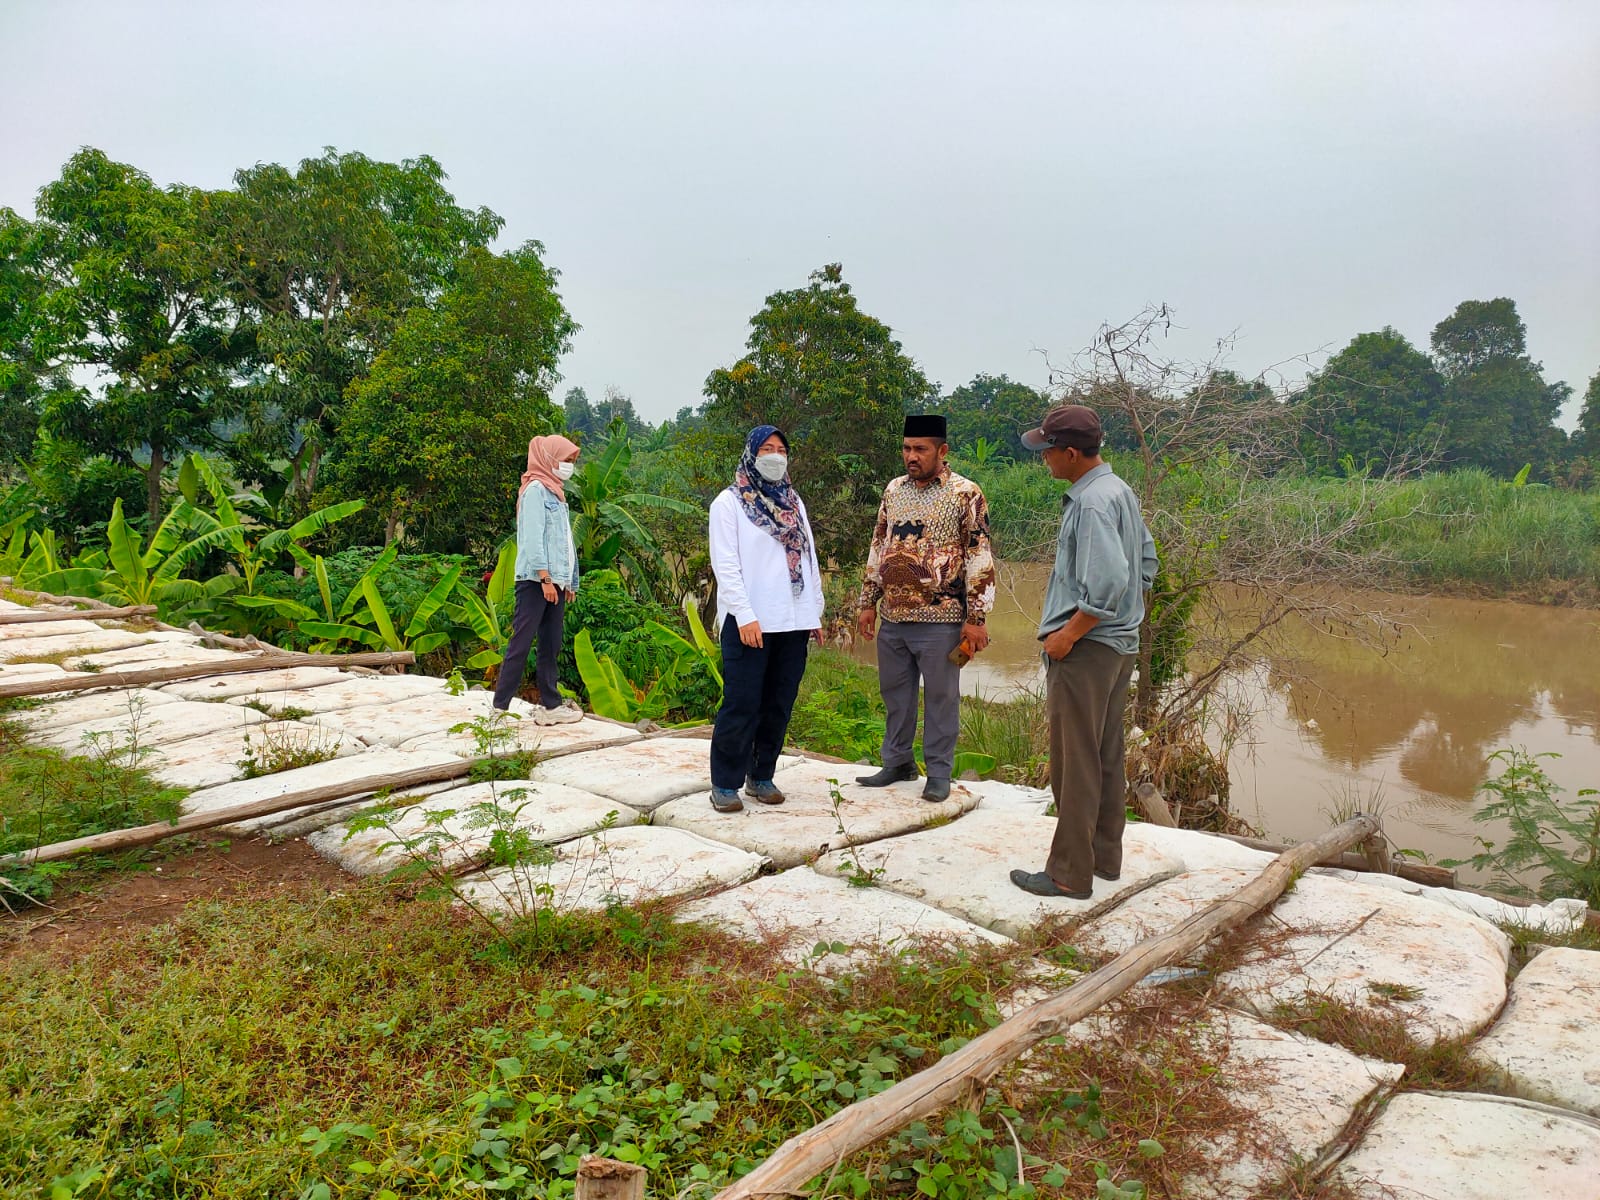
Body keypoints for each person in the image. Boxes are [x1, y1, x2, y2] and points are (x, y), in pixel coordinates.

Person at [1008, 405, 1156, 899]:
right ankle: (1104, 860)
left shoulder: (1092, 502)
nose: (1044, 458)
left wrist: (1071, 632)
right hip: (1118, 646)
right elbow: (1146, 562)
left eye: (1048, 450)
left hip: (1088, 650)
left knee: (1075, 761)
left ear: (1071, 453)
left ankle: (1069, 873)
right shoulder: (1119, 491)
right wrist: (1123, 613)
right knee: (1105, 753)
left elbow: (1111, 578)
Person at [855, 414, 996, 802]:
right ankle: (897, 761)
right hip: (895, 617)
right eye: (906, 448)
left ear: (942, 451)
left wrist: (976, 618)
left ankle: (938, 772)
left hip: (942, 619)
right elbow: (878, 546)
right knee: (895, 695)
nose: (911, 457)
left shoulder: (965, 494)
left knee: (940, 697)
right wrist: (868, 602)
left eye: (920, 449)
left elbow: (979, 555)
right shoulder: (893, 490)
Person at [707, 425, 824, 812]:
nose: (775, 456)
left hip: (793, 621)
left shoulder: (794, 502)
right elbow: (726, 566)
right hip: (750, 621)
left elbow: (809, 559)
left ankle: (761, 776)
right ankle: (724, 783)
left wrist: (815, 611)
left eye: (781, 449)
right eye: (767, 449)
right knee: (742, 702)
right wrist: (744, 615)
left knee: (779, 701)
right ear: (751, 454)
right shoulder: (728, 504)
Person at [493, 433, 585, 725]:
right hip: (535, 581)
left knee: (551, 643)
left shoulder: (557, 493)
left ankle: (550, 705)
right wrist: (545, 579)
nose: (568, 466)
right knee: (521, 642)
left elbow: (565, 542)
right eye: (565, 460)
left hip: (555, 581)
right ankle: (499, 709)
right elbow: (533, 540)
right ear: (549, 459)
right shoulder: (535, 491)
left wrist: (568, 580)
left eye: (571, 461)